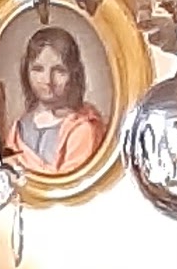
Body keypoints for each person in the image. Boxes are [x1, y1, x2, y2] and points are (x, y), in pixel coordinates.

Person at [7, 25, 107, 176]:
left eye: (59, 71)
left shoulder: (83, 129)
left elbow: (72, 181)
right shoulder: (19, 128)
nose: (47, 80)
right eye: (38, 69)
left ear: (74, 74)